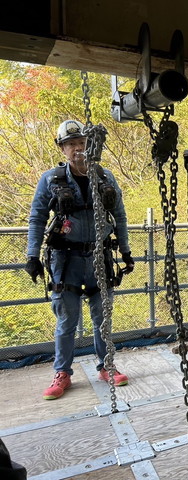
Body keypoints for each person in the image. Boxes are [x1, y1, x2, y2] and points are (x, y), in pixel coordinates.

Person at [24, 119, 135, 400]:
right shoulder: (51, 180)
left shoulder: (105, 177)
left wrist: (125, 251)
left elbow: (119, 216)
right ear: (62, 148)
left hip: (100, 256)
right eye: (71, 144)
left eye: (82, 143)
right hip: (66, 260)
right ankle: (62, 373)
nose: (78, 149)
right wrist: (32, 255)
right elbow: (37, 218)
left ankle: (106, 366)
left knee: (102, 316)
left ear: (90, 145)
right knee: (66, 319)